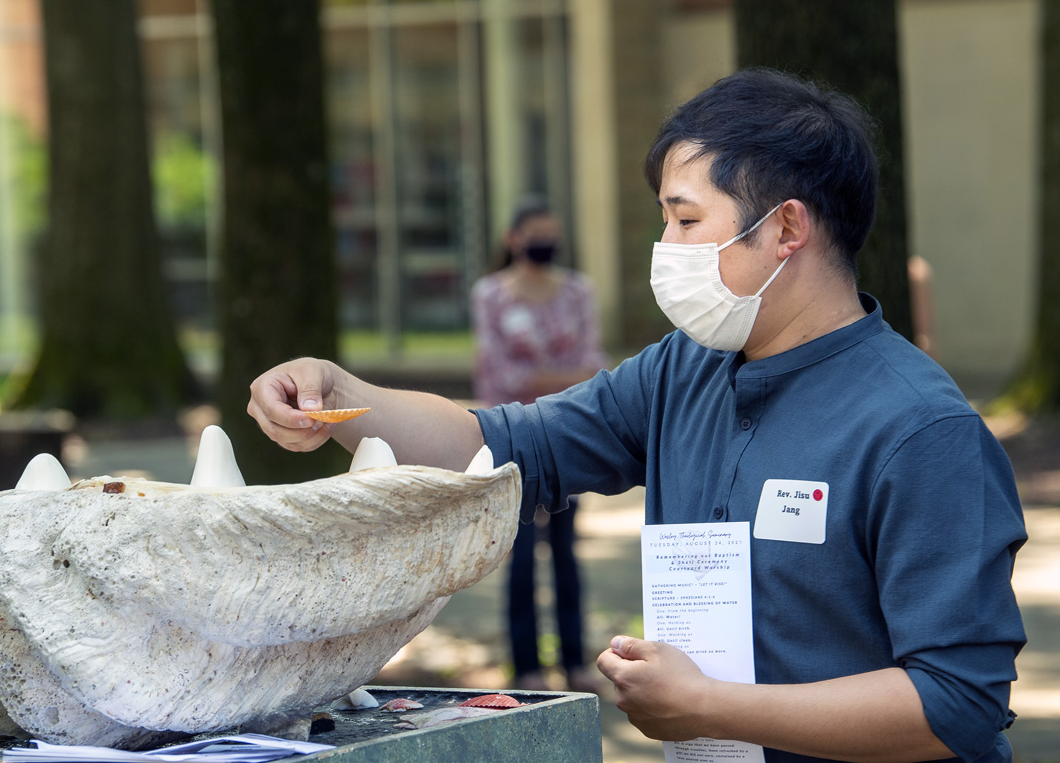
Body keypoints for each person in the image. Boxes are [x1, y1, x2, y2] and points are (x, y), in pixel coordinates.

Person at [247, 68, 1025, 763]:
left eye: (686, 221)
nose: (667, 247)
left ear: (787, 229)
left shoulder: (921, 432)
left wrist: (711, 707)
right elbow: (503, 446)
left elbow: (956, 701)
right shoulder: (682, 371)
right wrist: (337, 398)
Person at [470, 195, 607, 694]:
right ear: (514, 239)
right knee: (522, 554)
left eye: (552, 232)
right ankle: (525, 665)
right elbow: (497, 373)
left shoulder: (578, 291)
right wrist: (564, 376)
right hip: (510, 437)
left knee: (568, 552)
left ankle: (575, 660)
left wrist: (544, 378)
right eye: (537, 233)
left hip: (571, 434)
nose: (546, 242)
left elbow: (596, 364)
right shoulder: (491, 295)